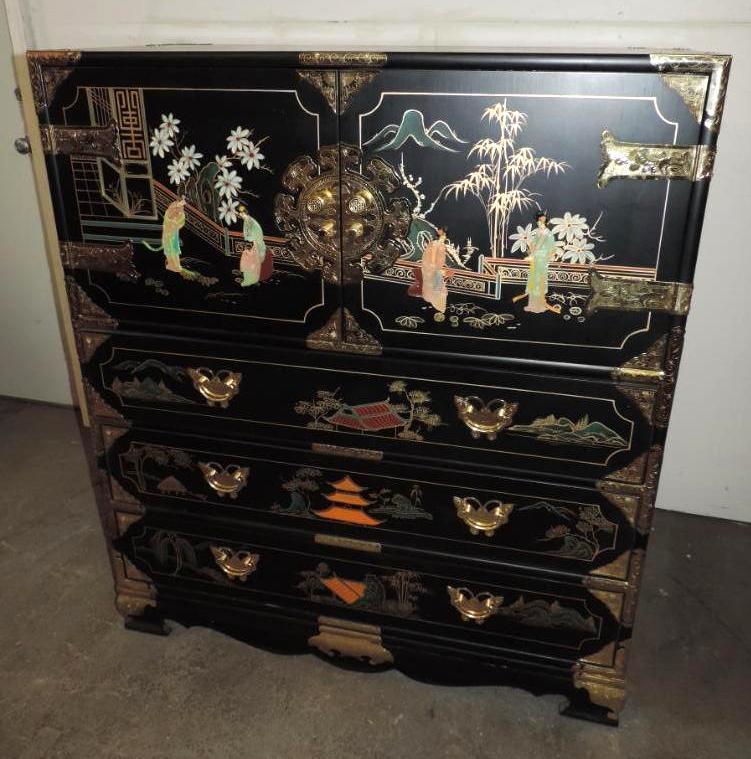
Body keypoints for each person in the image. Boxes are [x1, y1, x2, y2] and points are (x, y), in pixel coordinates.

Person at [512, 212, 561, 314]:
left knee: (540, 282)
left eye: (542, 221)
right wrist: (530, 245)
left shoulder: (549, 234)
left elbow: (552, 249)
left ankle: (540, 306)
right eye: (539, 221)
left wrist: (544, 255)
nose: (540, 223)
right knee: (533, 281)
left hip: (542, 260)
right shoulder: (537, 233)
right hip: (535, 260)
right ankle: (532, 305)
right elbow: (533, 246)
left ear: (545, 222)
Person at [237, 205, 268, 286]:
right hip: (252, 243)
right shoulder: (246, 221)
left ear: (245, 213)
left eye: (242, 214)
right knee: (247, 259)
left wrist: (251, 239)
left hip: (256, 244)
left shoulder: (251, 221)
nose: (241, 215)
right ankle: (248, 279)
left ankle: (251, 279)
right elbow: (245, 234)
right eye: (240, 214)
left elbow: (256, 234)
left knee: (252, 262)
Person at [420, 226, 449, 314]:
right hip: (433, 267)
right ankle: (435, 303)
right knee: (436, 285)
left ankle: (436, 304)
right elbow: (433, 255)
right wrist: (432, 264)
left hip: (437, 268)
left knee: (439, 285)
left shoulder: (440, 243)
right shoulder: (436, 243)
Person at [160, 196, 186, 272]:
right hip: (168, 233)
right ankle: (172, 265)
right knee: (169, 249)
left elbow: (182, 220)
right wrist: (172, 222)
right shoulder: (171, 209)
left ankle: (176, 265)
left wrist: (176, 223)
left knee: (174, 249)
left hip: (173, 233)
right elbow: (167, 217)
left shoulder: (180, 212)